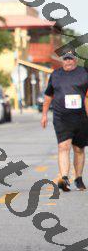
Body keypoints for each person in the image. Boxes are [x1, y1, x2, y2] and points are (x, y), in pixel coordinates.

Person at [41, 50, 88, 191]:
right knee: (63, 146)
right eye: (65, 59)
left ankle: (78, 178)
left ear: (76, 60)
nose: (67, 61)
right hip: (61, 117)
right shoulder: (55, 75)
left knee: (79, 149)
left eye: (70, 59)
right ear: (62, 60)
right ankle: (64, 178)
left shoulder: (84, 73)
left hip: (81, 117)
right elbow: (48, 96)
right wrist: (44, 114)